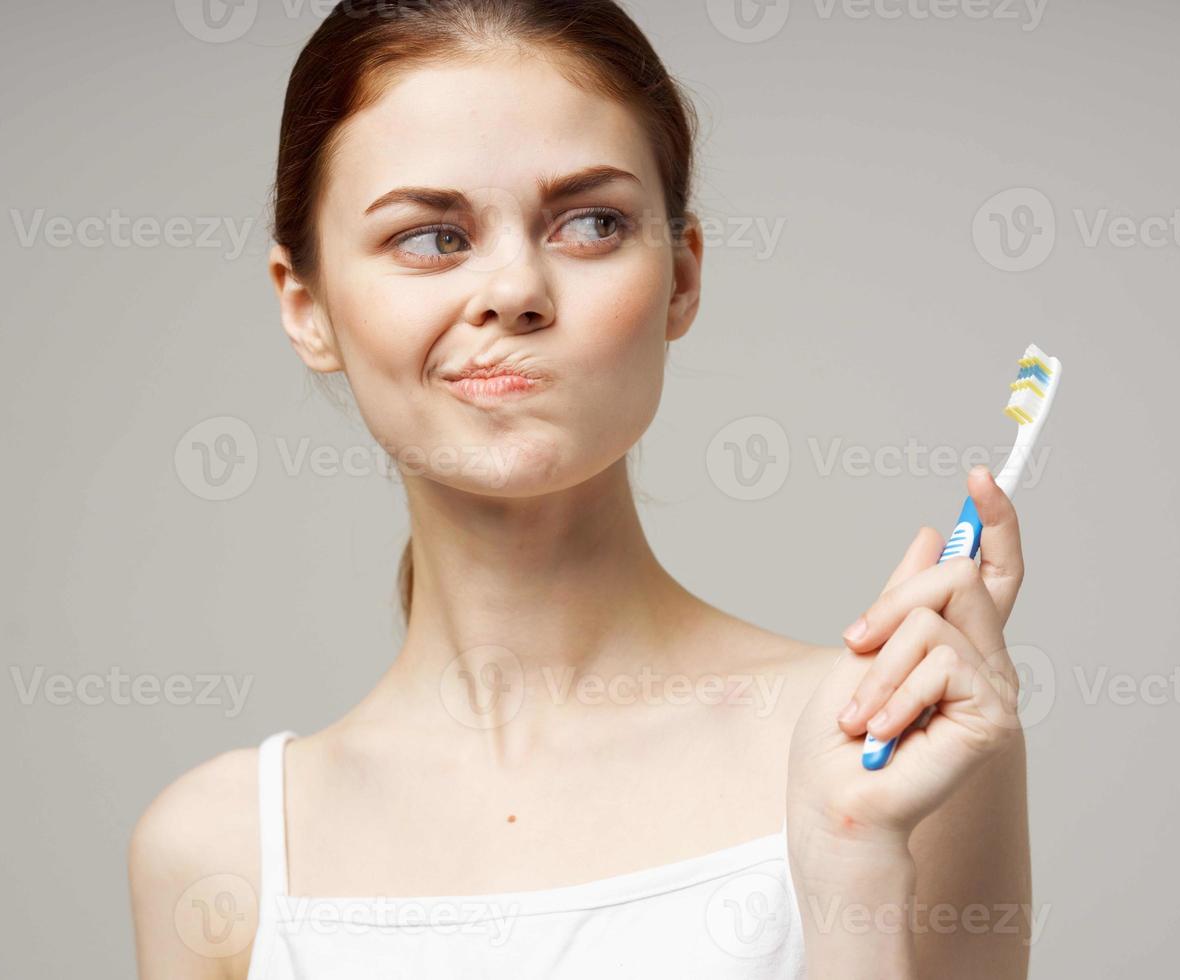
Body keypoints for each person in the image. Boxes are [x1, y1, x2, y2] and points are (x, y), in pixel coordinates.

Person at [128, 2, 1032, 977]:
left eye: (592, 223)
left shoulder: (888, 739)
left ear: (682, 276)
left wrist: (852, 855)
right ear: (306, 308)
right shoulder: (219, 853)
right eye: (430, 236)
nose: (514, 287)